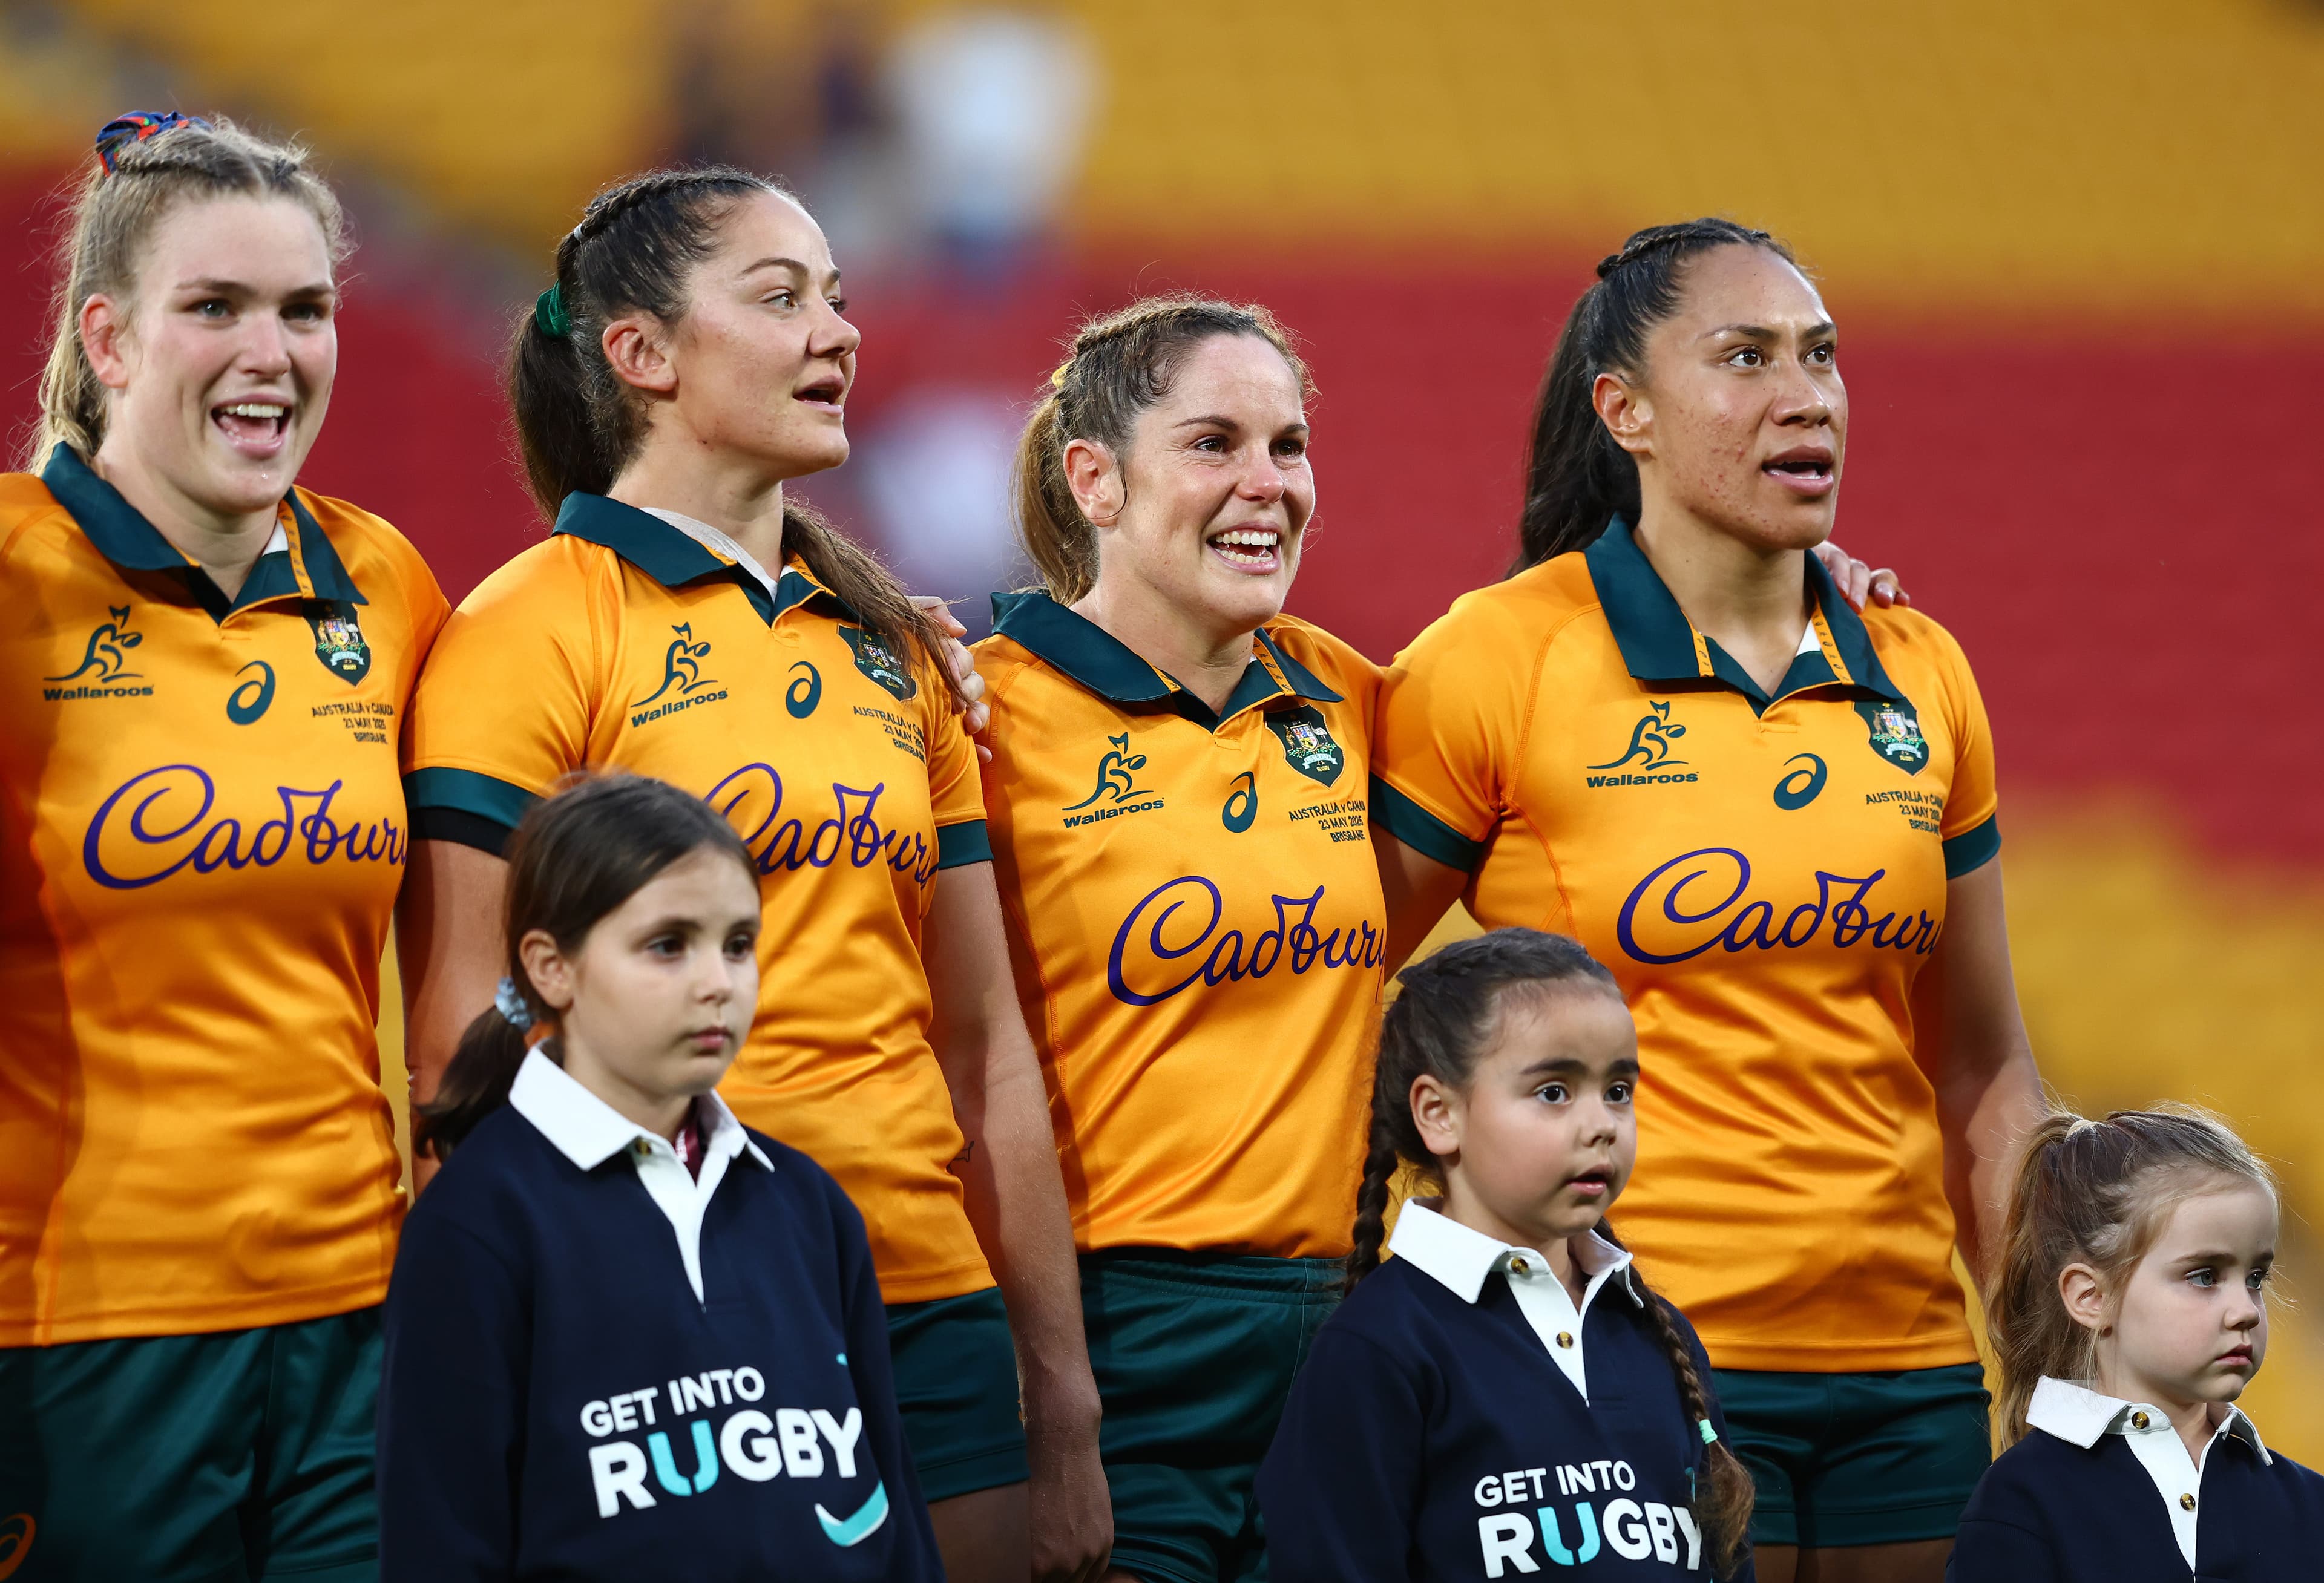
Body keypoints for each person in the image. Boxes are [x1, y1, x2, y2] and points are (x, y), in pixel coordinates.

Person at [979, 290, 1901, 1583]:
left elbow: (1569, 671)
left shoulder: (1352, 698)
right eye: (1214, 444)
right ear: (1095, 479)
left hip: (1353, 1329)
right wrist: (1052, 1388)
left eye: (1289, 447)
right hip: (1114, 1327)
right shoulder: (973, 708)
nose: (1268, 485)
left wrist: (1791, 580)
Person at [395, 166, 1105, 1581]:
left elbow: (984, 1047)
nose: (835, 332)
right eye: (780, 298)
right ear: (640, 356)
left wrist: (1059, 1384)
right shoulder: (524, 632)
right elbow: (457, 1042)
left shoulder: (892, 646)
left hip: (927, 1297)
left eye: (836, 297)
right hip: (668, 1307)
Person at [1370, 218, 2047, 1583]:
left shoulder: (1922, 668)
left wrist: (2049, 1353)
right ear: (1624, 411)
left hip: (1908, 1370)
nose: (1807, 396)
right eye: (1744, 359)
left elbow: (1983, 1065)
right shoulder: (1493, 659)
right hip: (1623, 1353)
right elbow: (1327, 993)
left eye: (1822, 358)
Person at [0, 113, 449, 1581]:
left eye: (304, 309)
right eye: (218, 307)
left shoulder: (381, 581)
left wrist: (896, 629)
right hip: (79, 1338)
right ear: (110, 338)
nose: (275, 350)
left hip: (360, 1322)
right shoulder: (13, 581)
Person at [377, 772, 942, 1579]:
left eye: (739, 943)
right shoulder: (477, 1224)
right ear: (551, 967)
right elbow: (442, 1545)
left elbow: (896, 1519)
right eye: (668, 945)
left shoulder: (809, 1203)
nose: (718, 982)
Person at [1258, 929, 1753, 1581]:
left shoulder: (1662, 1336)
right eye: (1554, 1091)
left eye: (1619, 1091)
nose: (1603, 1123)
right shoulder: (1379, 1349)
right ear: (1439, 1114)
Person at [1947, 1107, 2324, 1581]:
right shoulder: (2021, 1502)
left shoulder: (2311, 1504)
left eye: (2255, 1278)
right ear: (2091, 1297)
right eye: (2205, 1276)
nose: (2247, 1310)